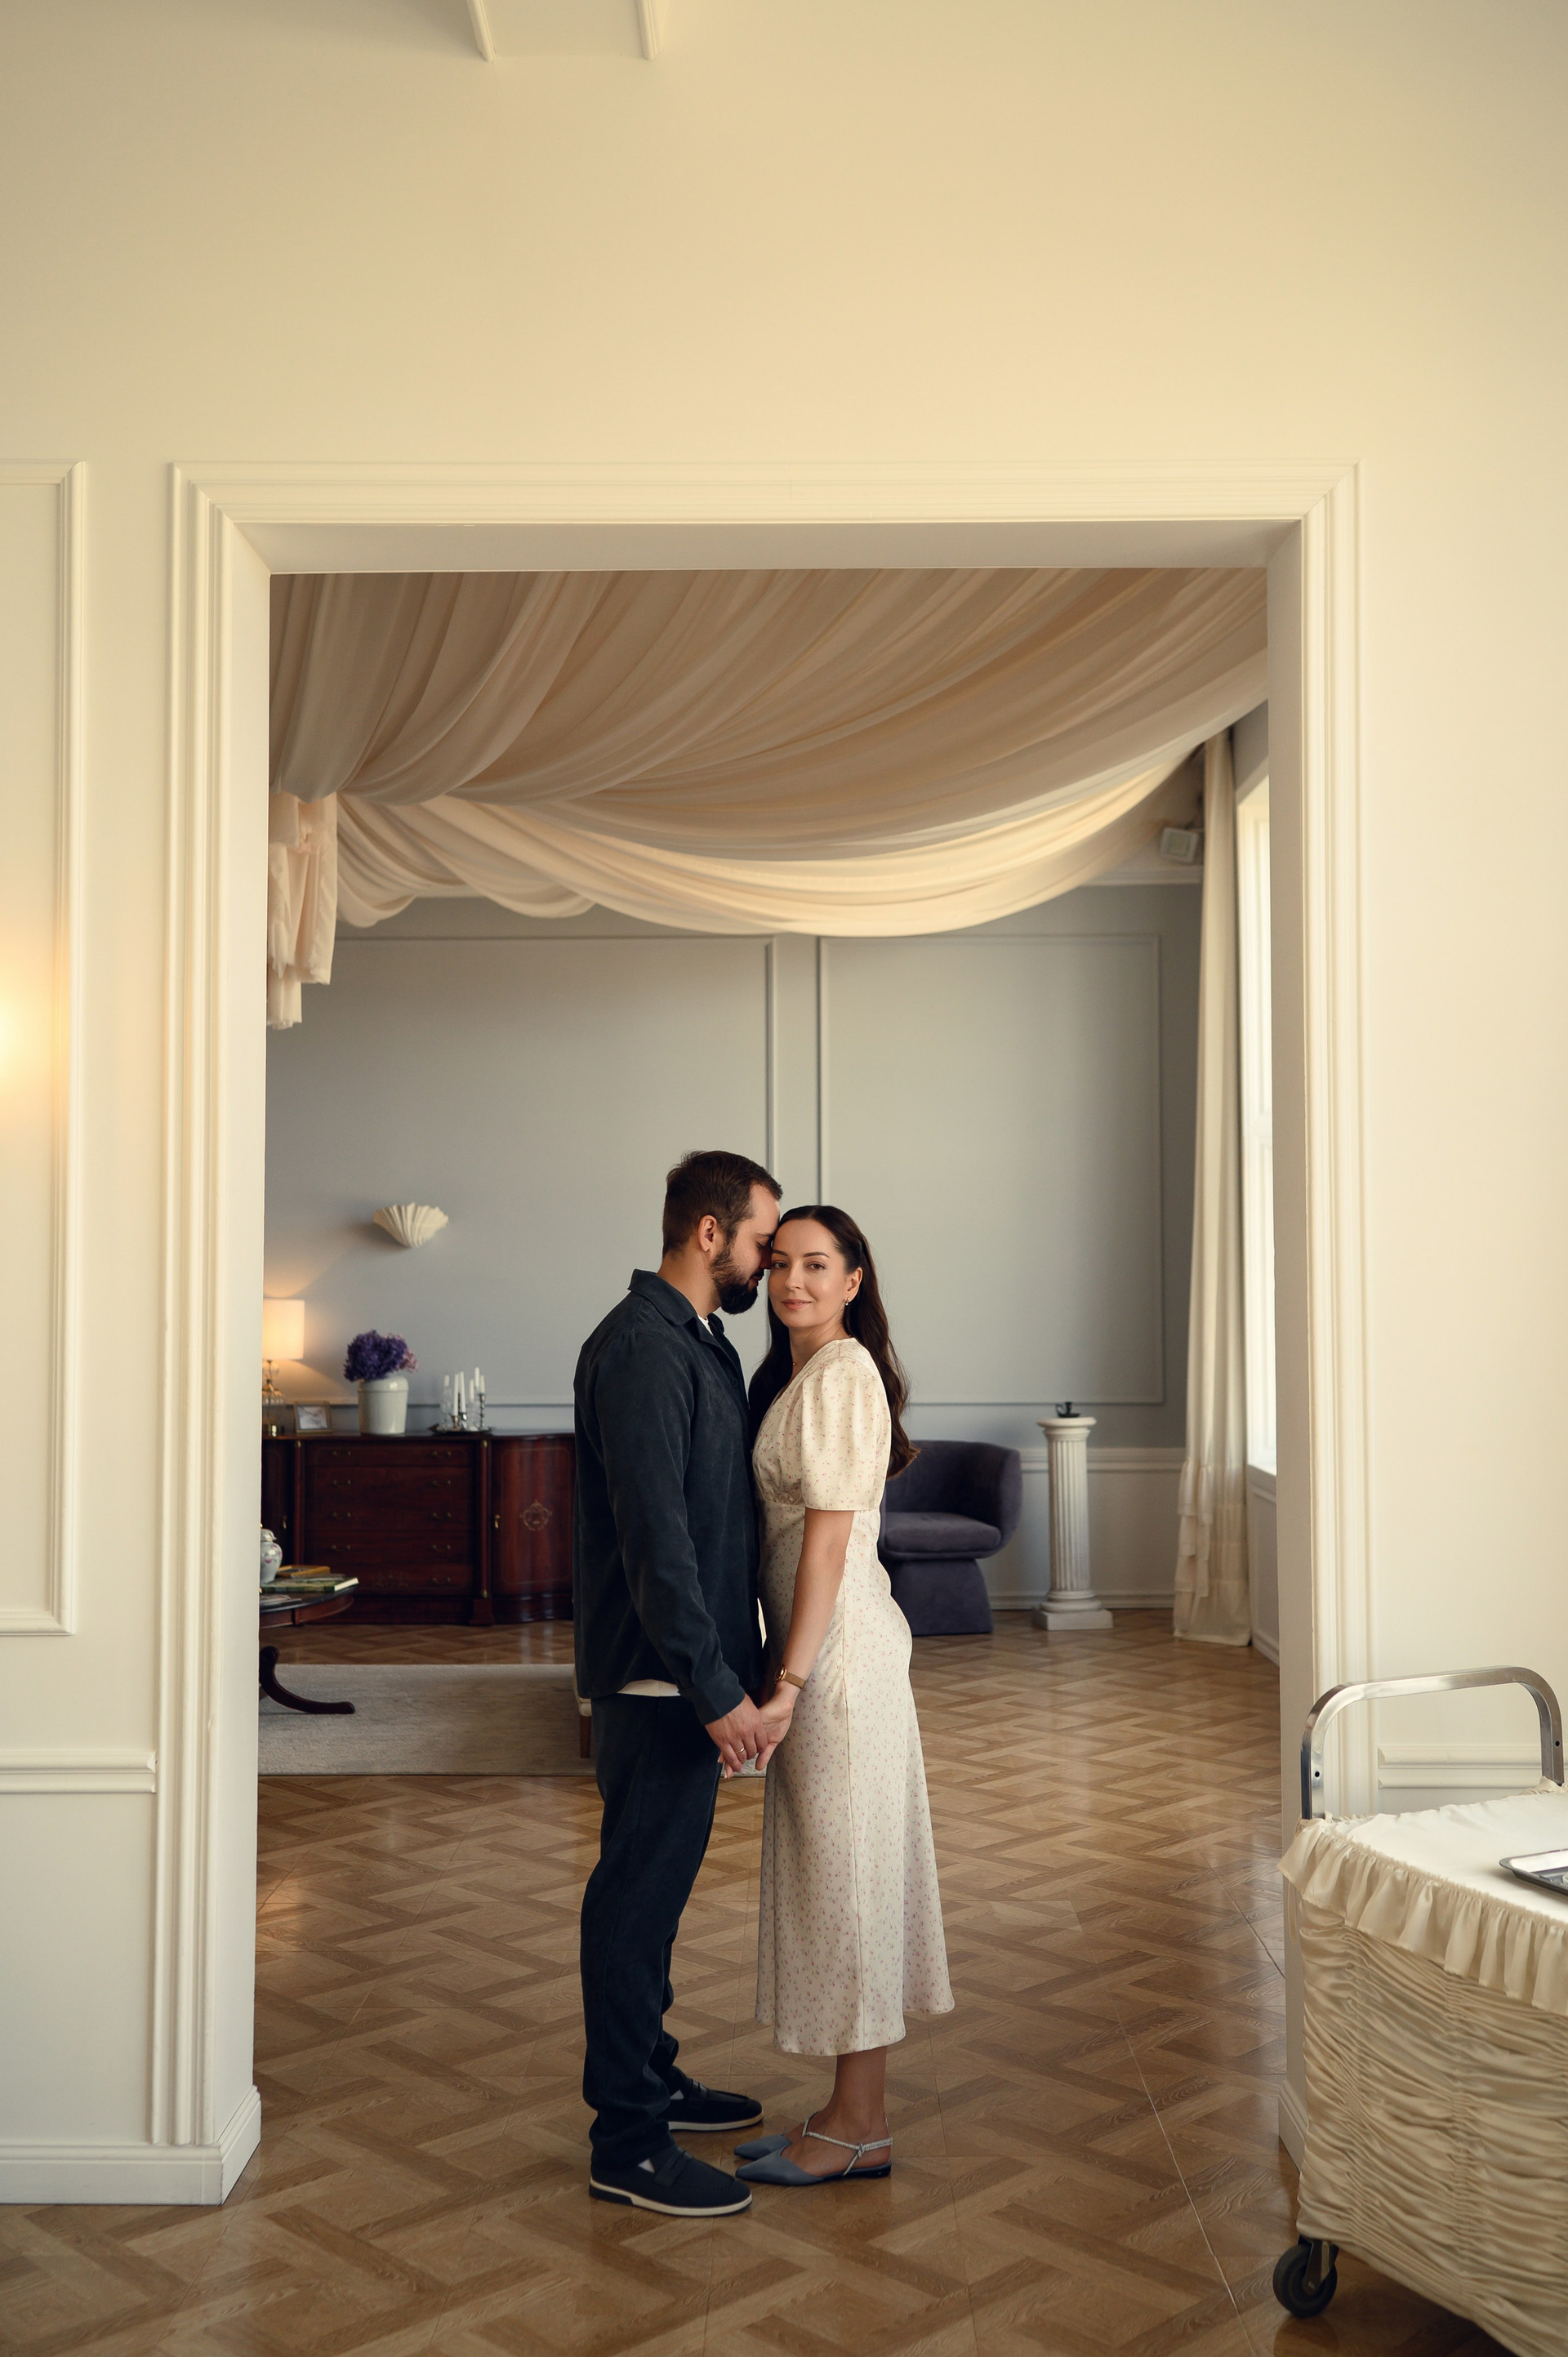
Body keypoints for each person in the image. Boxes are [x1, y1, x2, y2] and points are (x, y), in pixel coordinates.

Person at [573, 1147, 782, 2217]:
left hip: (684, 1676)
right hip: (661, 1680)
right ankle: (627, 2140)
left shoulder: (695, 1341)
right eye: (761, 1242)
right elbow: (658, 1544)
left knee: (654, 1896)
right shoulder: (644, 1349)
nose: (768, 1263)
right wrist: (714, 1689)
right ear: (710, 1233)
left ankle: (652, 2076)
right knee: (634, 1899)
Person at [733, 1205, 954, 2189]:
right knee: (833, 1872)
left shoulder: (843, 1373)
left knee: (848, 1878)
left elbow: (825, 1545)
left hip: (838, 1659)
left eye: (817, 1265)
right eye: (781, 1263)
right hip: (820, 1648)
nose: (794, 1281)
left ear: (854, 1280)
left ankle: (863, 2125)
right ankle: (842, 2109)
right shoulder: (803, 1374)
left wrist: (788, 1682)